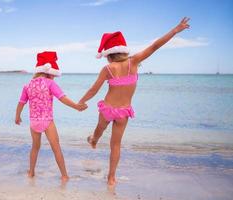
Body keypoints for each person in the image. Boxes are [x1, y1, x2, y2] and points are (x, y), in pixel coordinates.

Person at [78, 17, 190, 185]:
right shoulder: (135, 62)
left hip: (107, 109)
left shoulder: (108, 68)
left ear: (109, 54)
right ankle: (111, 178)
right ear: (122, 51)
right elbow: (155, 46)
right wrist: (175, 30)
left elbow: (94, 89)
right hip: (123, 112)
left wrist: (81, 101)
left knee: (99, 130)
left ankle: (93, 139)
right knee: (115, 145)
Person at [15, 51, 87, 182]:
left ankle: (31, 172)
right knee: (56, 147)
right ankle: (64, 175)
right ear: (49, 72)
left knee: (35, 147)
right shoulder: (50, 83)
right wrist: (76, 106)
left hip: (34, 122)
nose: (54, 77)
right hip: (47, 121)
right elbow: (62, 98)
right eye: (54, 74)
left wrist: (17, 116)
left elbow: (21, 102)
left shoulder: (28, 85)